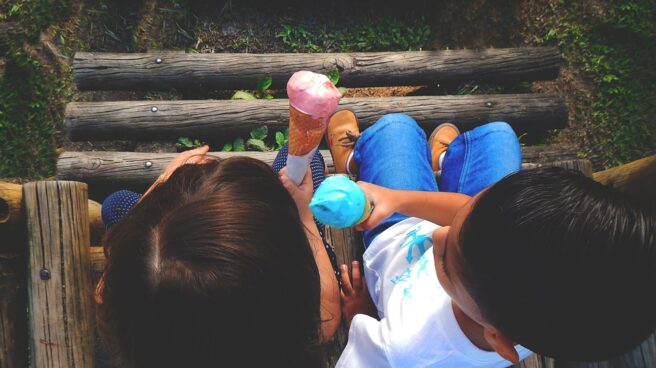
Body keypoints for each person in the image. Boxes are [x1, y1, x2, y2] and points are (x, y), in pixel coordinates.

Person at [327, 111, 656, 367]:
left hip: (394, 234)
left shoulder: (402, 348)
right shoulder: (547, 318)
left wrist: (362, 314)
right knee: (500, 135)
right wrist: (398, 199)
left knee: (395, 128)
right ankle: (444, 159)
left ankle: (358, 160)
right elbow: (465, 214)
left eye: (443, 261)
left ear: (497, 339)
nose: (437, 234)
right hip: (412, 211)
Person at [96, 146, 341, 368]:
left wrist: (163, 185)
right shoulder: (295, 336)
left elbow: (103, 290)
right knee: (299, 156)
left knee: (115, 204)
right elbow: (326, 322)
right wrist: (303, 214)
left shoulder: (132, 316)